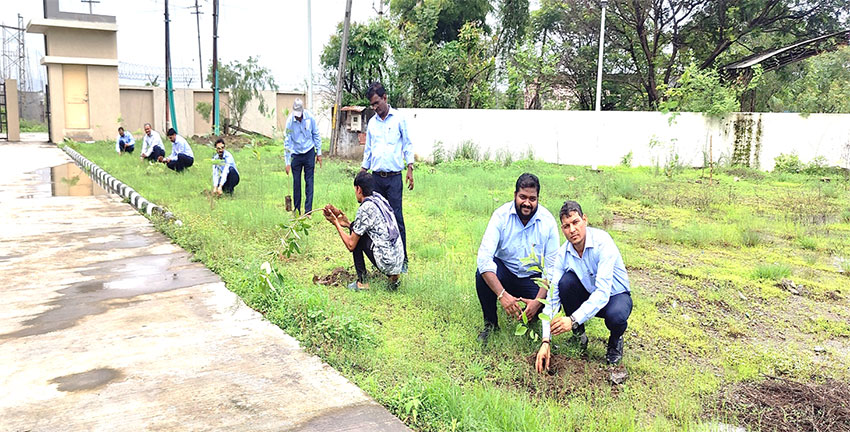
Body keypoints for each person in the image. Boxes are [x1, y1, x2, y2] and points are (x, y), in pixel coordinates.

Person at [535, 200, 633, 371]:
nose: (572, 230)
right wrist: (545, 340)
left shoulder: (603, 242)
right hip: (589, 293)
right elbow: (552, 297)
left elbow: (603, 292)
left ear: (585, 220)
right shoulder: (563, 254)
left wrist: (572, 319)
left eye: (575, 222)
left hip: (614, 296)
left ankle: (615, 341)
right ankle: (579, 336)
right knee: (566, 282)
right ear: (562, 229)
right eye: (566, 226)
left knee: (616, 316)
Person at [475, 173, 560, 344]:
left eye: (532, 198)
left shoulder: (548, 222)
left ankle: (532, 317)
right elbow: (484, 259)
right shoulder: (501, 216)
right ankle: (491, 324)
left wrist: (537, 302)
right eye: (523, 197)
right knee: (482, 273)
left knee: (554, 293)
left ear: (538, 199)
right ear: (515, 195)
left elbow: (552, 268)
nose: (527, 203)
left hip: (532, 278)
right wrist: (502, 295)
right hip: (505, 272)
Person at [360, 82, 414, 273]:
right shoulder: (372, 123)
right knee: (377, 220)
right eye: (372, 105)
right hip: (376, 179)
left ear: (385, 98)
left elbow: (407, 144)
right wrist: (362, 171)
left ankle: (403, 261)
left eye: (376, 103)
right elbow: (368, 150)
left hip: (393, 179)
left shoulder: (399, 119)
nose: (375, 108)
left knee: (396, 219)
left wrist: (410, 168)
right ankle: (382, 261)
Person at [322, 171, 403, 292]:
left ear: (359, 189)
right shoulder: (379, 199)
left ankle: (362, 282)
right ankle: (393, 278)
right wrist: (347, 223)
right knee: (355, 227)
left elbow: (351, 245)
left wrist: (336, 223)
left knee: (355, 234)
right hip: (397, 262)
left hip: (387, 262)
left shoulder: (366, 208)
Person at [284, 98, 322, 214]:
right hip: (296, 154)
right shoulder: (290, 122)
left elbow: (315, 134)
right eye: (296, 115)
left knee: (309, 181)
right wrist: (287, 162)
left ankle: (308, 211)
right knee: (296, 183)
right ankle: (296, 209)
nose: (298, 117)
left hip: (309, 152)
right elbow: (287, 142)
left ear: (302, 111)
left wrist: (318, 153)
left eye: (299, 115)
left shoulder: (310, 118)